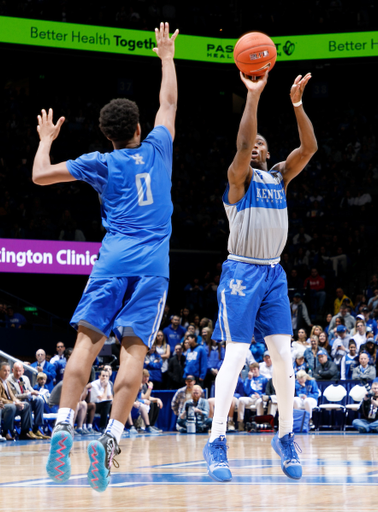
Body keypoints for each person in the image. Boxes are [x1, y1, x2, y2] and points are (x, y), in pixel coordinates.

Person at [33, 22, 179, 491]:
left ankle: (61, 428)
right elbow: (170, 104)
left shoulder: (101, 161)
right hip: (151, 270)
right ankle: (111, 437)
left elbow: (39, 176)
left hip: (111, 262)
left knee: (85, 345)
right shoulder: (158, 148)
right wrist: (166, 57)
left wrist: (45, 139)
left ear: (107, 134)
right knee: (132, 353)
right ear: (139, 130)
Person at [203, 70, 317, 482]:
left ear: (268, 153)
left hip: (274, 274)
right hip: (240, 272)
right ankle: (216, 441)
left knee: (285, 358)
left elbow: (309, 147)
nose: (254, 148)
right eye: (251, 145)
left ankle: (286, 436)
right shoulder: (239, 181)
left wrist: (297, 105)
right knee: (236, 355)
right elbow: (242, 143)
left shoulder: (280, 177)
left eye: (260, 145)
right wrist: (252, 97)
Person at [7, 362, 50, 439]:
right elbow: (14, 396)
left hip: (26, 401)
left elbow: (31, 390)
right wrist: (28, 394)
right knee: (27, 404)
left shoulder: (25, 378)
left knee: (39, 400)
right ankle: (27, 431)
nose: (18, 373)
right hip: (16, 403)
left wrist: (32, 394)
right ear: (12, 370)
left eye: (20, 371)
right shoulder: (9, 380)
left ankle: (36, 429)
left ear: (23, 370)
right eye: (16, 371)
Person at [0, 362, 36, 440]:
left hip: (10, 405)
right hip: (3, 407)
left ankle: (24, 432)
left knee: (26, 405)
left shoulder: (6, 381)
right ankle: (6, 432)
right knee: (12, 407)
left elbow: (12, 396)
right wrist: (14, 403)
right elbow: (1, 398)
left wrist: (17, 402)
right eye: (4, 370)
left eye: (8, 371)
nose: (7, 373)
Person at [237, 363, 268, 431]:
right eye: (251, 369)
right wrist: (249, 379)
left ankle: (259, 423)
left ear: (258, 369)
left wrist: (260, 396)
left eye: (255, 369)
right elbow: (247, 391)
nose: (253, 371)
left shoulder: (264, 379)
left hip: (259, 398)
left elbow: (267, 392)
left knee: (260, 402)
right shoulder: (248, 379)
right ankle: (241, 422)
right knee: (241, 400)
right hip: (250, 398)